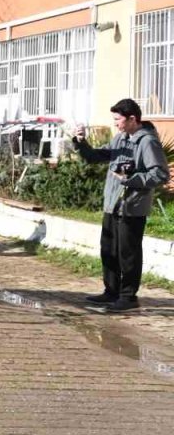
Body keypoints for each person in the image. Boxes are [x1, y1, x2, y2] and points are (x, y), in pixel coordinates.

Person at [72, 99, 171, 313]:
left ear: (132, 119)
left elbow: (161, 174)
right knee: (109, 251)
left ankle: (128, 297)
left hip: (132, 208)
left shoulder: (147, 142)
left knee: (128, 254)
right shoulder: (120, 139)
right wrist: (80, 142)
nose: (115, 123)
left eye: (118, 119)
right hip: (113, 205)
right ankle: (111, 291)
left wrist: (131, 178)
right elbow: (96, 156)